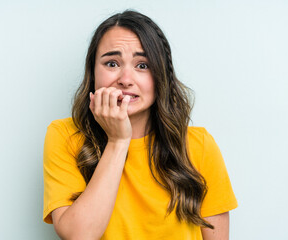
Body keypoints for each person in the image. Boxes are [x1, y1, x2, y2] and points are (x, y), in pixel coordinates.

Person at [43, 10, 238, 240]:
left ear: (161, 76)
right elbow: (79, 235)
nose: (125, 79)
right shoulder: (64, 136)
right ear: (92, 72)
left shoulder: (199, 146)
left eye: (142, 65)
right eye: (112, 63)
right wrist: (117, 140)